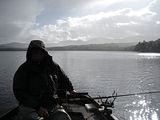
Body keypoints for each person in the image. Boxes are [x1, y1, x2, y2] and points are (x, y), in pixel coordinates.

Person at [13, 40, 76, 120]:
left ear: (44, 52)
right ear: (29, 53)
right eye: (34, 51)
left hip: (51, 104)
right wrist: (38, 107)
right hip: (30, 107)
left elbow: (63, 78)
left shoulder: (53, 66)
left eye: (39, 51)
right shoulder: (23, 70)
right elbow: (19, 92)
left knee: (63, 117)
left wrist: (71, 89)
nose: (36, 53)